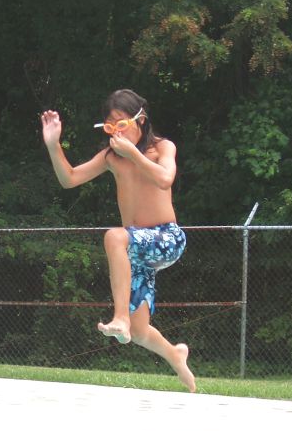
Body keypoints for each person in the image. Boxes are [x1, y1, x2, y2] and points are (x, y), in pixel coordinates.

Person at [41, 89, 195, 393]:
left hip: (167, 238)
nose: (117, 133)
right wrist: (53, 145)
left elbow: (165, 179)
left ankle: (120, 316)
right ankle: (175, 355)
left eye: (122, 124)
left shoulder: (162, 148)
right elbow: (69, 178)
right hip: (136, 248)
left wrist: (134, 154)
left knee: (114, 237)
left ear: (141, 119)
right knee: (139, 332)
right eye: (110, 127)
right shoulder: (112, 157)